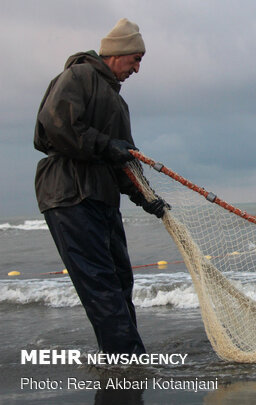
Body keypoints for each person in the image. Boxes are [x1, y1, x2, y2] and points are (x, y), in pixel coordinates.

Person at [34, 18, 168, 354]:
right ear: (117, 53)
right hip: (68, 194)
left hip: (103, 197)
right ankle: (127, 364)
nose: (137, 69)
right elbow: (55, 126)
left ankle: (124, 357)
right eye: (135, 59)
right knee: (101, 286)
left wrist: (146, 196)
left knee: (122, 281)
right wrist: (106, 145)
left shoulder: (119, 104)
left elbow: (125, 161)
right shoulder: (78, 76)